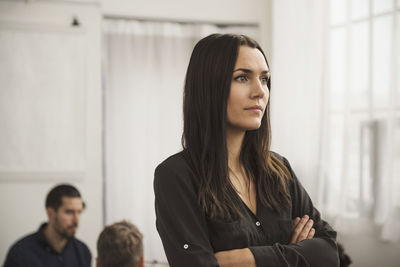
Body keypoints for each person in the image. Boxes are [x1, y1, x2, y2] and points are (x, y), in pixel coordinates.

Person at [154, 33, 339, 267]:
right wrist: (294, 253)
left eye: (264, 79)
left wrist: (244, 258)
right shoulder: (175, 176)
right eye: (242, 78)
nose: (260, 91)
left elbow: (329, 253)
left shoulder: (280, 169)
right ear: (209, 86)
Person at [3, 184, 91, 267]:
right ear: (50, 213)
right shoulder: (20, 253)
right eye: (69, 212)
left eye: (79, 212)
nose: (76, 220)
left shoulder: (82, 251)